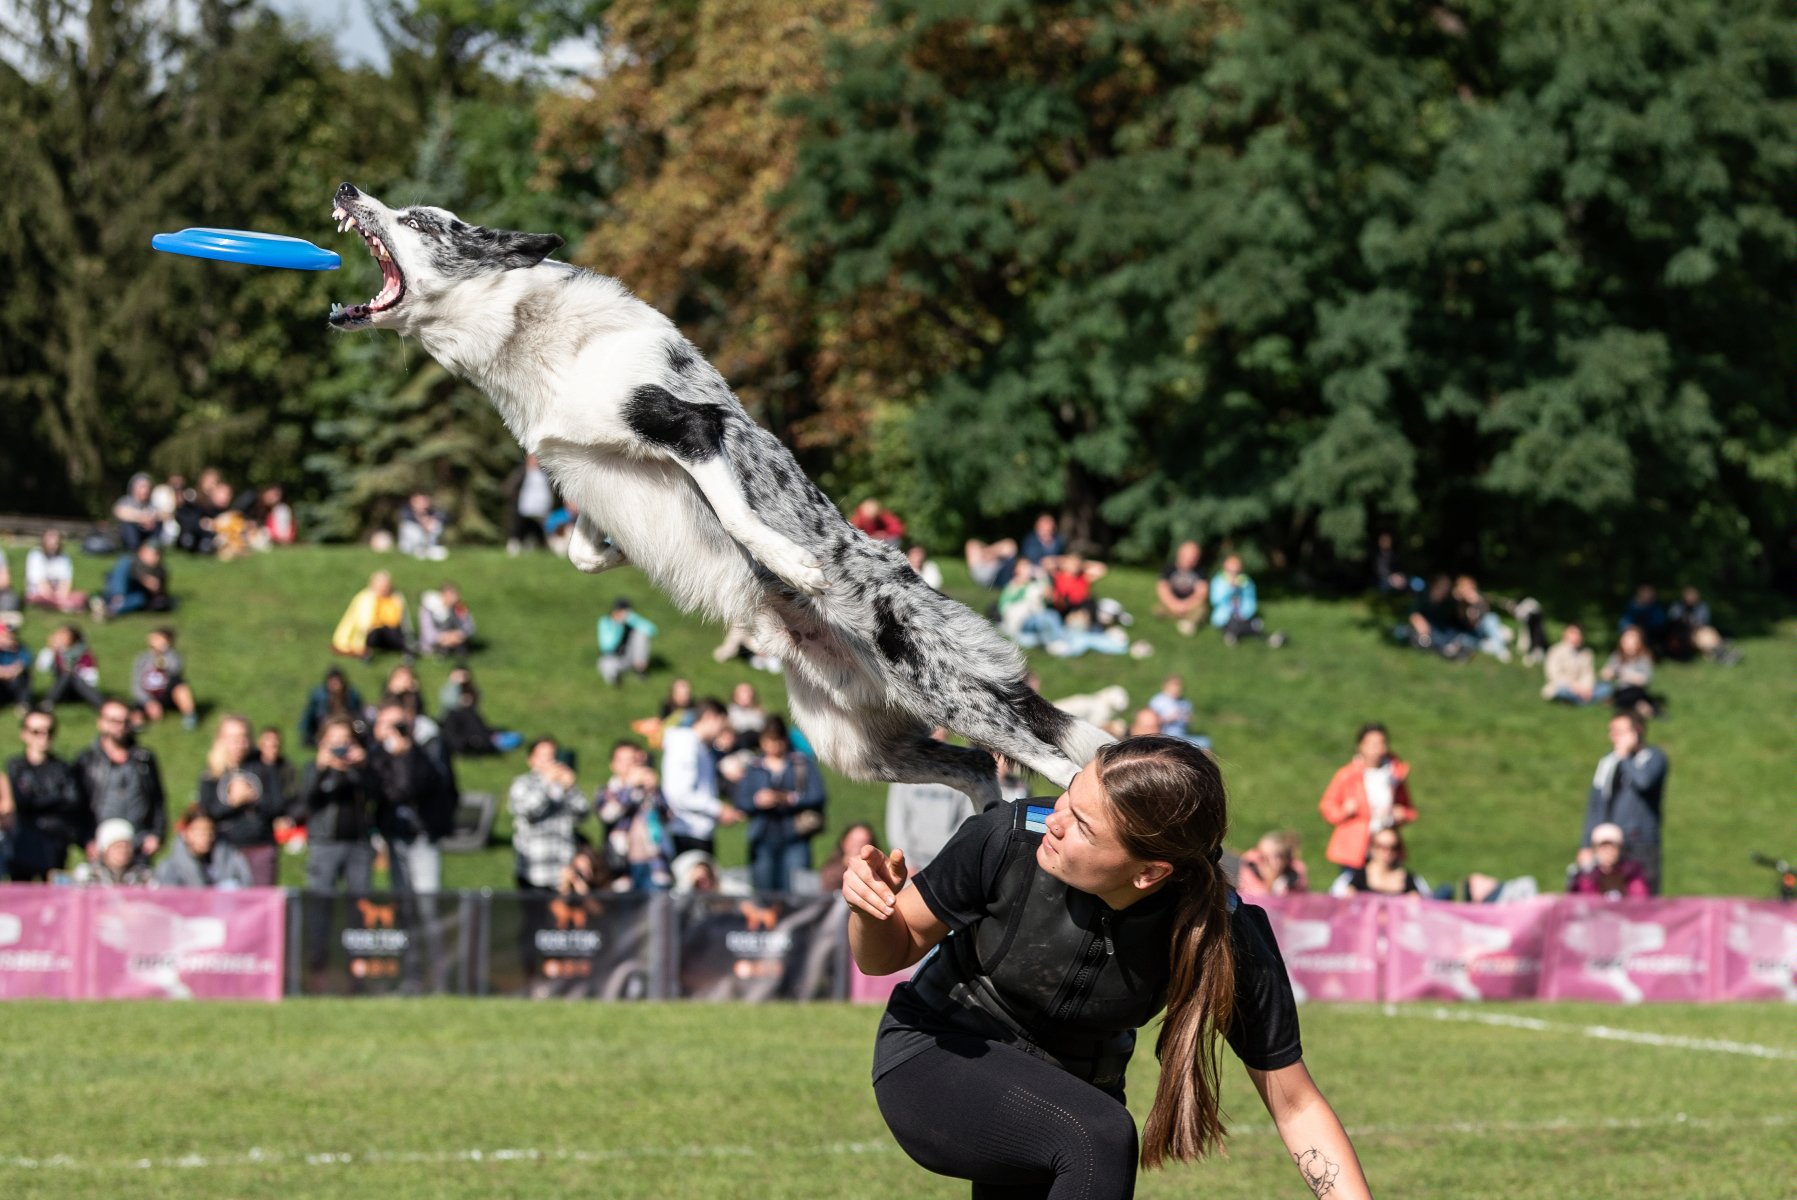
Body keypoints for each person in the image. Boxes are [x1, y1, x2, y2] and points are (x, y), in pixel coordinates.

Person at [846, 735, 1371, 1200]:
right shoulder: (1006, 837)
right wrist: (869, 912)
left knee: (1087, 1128)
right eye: (1069, 795)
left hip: (1072, 1087)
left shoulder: (1226, 932)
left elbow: (1297, 1106)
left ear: (1149, 872)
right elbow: (885, 955)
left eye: (1081, 825)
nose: (1053, 820)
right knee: (1098, 1135)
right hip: (937, 1053)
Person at [368, 701, 456, 894]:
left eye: (397, 724)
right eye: (386, 724)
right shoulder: (376, 755)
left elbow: (415, 786)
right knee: (400, 897)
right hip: (393, 831)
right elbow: (379, 790)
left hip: (422, 831)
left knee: (427, 898)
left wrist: (407, 754)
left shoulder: (426, 748)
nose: (392, 730)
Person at [1581, 711, 1668, 895]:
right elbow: (1596, 802)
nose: (1614, 736)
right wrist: (1586, 844)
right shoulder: (1608, 762)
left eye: (1620, 731)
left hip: (1641, 842)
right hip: (1610, 844)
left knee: (1644, 896)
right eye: (1612, 731)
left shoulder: (1653, 758)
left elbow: (1644, 782)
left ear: (1637, 731)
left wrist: (1626, 756)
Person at [736, 717, 826, 894]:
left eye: (777, 741)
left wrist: (790, 799)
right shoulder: (755, 767)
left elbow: (818, 794)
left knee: (795, 889)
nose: (773, 747)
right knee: (764, 891)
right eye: (768, 741)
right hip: (763, 836)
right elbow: (741, 800)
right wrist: (758, 800)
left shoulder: (800, 763)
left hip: (795, 834)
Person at [197, 714, 288, 886]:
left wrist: (254, 798)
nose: (238, 744)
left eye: (243, 738)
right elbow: (205, 813)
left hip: (260, 845)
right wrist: (231, 803)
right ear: (221, 740)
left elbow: (279, 806)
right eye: (232, 739)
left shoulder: (263, 766)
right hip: (225, 848)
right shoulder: (212, 773)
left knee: (260, 902)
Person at [300, 715, 383, 894]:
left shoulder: (358, 771)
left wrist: (363, 767)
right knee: (321, 901)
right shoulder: (314, 770)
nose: (340, 748)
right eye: (335, 742)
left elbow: (376, 795)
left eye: (345, 741)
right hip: (325, 842)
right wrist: (321, 770)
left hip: (358, 844)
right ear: (323, 743)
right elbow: (305, 800)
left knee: (359, 904)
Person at [76, 699, 167, 862]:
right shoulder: (86, 761)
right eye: (113, 720)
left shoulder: (144, 759)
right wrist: (86, 839)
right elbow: (78, 805)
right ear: (100, 722)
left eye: (124, 721)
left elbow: (158, 800)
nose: (119, 725)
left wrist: (157, 834)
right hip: (101, 845)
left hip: (139, 845)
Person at [1319, 723, 1415, 875]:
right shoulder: (1347, 775)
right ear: (1361, 746)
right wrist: (1344, 811)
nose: (1378, 749)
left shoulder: (1394, 774)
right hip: (1355, 847)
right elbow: (1327, 806)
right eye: (1373, 744)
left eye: (1382, 743)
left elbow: (1409, 809)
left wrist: (1402, 814)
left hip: (1385, 845)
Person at [6, 710, 87, 880]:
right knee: (22, 897)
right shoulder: (15, 767)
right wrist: (55, 797)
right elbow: (21, 801)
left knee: (55, 897)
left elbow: (73, 801)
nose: (43, 737)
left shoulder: (63, 767)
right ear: (24, 734)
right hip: (23, 842)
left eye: (49, 731)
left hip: (55, 842)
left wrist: (37, 800)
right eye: (36, 732)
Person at [884, 730, 975, 875]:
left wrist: (952, 859)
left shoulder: (960, 772)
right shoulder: (905, 771)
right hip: (912, 867)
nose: (935, 732)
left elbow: (966, 818)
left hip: (946, 866)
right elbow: (897, 819)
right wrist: (906, 862)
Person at [509, 736, 591, 892]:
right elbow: (529, 812)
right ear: (531, 760)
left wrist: (570, 788)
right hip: (534, 870)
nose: (549, 761)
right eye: (543, 756)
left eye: (552, 755)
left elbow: (583, 814)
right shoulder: (522, 784)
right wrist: (546, 784)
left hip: (564, 871)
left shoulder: (563, 784)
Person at [597, 740, 675, 891]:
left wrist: (654, 791)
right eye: (623, 761)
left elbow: (669, 817)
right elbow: (608, 815)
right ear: (613, 764)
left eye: (633, 760)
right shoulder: (607, 791)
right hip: (622, 869)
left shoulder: (649, 791)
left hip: (655, 864)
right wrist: (629, 788)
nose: (628, 766)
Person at [154, 805, 255, 888]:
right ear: (186, 833)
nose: (205, 837)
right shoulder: (170, 868)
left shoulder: (230, 859)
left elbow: (245, 885)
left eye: (209, 831)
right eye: (199, 832)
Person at [437, 668, 522, 756]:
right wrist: (455, 684)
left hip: (472, 730)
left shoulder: (469, 711)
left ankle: (491, 740)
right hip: (461, 731)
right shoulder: (452, 709)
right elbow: (449, 702)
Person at [331, 570, 411, 660]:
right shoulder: (365, 598)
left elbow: (403, 621)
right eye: (381, 585)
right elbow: (363, 624)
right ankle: (367, 655)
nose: (383, 588)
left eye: (385, 585)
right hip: (371, 633)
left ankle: (407, 653)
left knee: (395, 635)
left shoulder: (396, 597)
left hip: (391, 631)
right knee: (375, 634)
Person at [1209, 554, 1286, 647]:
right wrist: (1230, 588)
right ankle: (1266, 638)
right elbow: (1215, 600)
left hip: (1242, 615)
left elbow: (1250, 601)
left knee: (1246, 624)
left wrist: (1245, 614)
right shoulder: (1218, 581)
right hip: (1224, 617)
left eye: (1236, 570)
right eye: (1231, 570)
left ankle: (1233, 635)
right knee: (1242, 625)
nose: (1234, 573)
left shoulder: (1246, 582)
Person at [130, 627, 198, 730]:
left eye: (158, 639)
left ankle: (190, 716)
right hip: (147, 695)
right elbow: (136, 684)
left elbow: (175, 669)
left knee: (182, 688)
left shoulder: (173, 657)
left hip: (167, 695)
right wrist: (149, 702)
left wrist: (163, 654)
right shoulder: (142, 658)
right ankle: (138, 724)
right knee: (134, 712)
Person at [1568, 822, 1650, 900]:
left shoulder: (1632, 874)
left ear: (1620, 849)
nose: (1608, 852)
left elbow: (1640, 901)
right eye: (1603, 847)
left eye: (1613, 847)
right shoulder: (1586, 877)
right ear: (1595, 849)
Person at [1332, 828, 1425, 897]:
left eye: (1393, 847)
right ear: (1371, 848)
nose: (1387, 852)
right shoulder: (1353, 878)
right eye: (1381, 847)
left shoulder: (1410, 880)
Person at [36, 624, 104, 710]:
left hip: (81, 689)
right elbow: (42, 668)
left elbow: (92, 679)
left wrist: (74, 673)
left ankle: (102, 706)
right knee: (66, 675)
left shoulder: (84, 654)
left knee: (69, 674)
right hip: (62, 690)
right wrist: (51, 649)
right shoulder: (55, 652)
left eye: (63, 636)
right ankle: (48, 703)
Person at [1541, 624, 1612, 706]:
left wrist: (1586, 689)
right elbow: (1554, 675)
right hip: (1564, 686)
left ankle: (1577, 701)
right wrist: (1574, 687)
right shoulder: (1555, 651)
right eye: (1572, 633)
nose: (1576, 636)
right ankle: (1584, 702)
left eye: (1578, 634)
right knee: (1561, 691)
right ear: (1565, 634)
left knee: (1606, 688)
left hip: (1583, 687)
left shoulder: (1586, 653)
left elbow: (1588, 674)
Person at [1600, 626, 1662, 719]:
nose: (1628, 643)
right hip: (1620, 690)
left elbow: (1644, 680)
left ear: (1638, 642)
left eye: (1631, 640)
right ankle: (1642, 707)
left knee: (1633, 694)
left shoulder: (1643, 658)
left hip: (1636, 691)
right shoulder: (1617, 656)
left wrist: (1624, 674)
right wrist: (1609, 673)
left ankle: (1641, 707)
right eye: (1626, 639)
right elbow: (1604, 674)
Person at [1666, 585, 1738, 665]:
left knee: (1708, 631)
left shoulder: (1701, 607)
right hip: (1683, 636)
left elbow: (1703, 623)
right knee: (1703, 636)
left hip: (1699, 632)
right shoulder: (1676, 608)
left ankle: (1719, 653)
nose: (1691, 598)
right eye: (1689, 595)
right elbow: (1674, 625)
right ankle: (1721, 654)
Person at [98, 543, 174, 618]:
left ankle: (110, 610)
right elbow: (121, 576)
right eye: (153, 554)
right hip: (121, 589)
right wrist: (144, 579)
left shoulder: (160, 571)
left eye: (159, 554)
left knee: (139, 599)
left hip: (135, 595)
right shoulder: (132, 561)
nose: (156, 558)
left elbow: (161, 595)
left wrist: (156, 589)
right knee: (124, 563)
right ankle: (116, 598)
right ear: (142, 553)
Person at [1403, 574, 1470, 657]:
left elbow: (1457, 618)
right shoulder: (1424, 596)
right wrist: (1420, 624)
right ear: (1435, 585)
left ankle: (1448, 648)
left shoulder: (1448, 601)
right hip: (1426, 628)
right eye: (1442, 586)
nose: (1444, 589)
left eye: (1447, 587)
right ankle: (1447, 649)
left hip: (1441, 629)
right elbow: (1414, 613)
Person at [71, 818, 152, 886]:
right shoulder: (88, 873)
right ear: (105, 850)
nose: (122, 851)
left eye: (126, 846)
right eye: (117, 846)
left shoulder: (143, 875)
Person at [298, 666, 366, 747]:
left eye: (337, 681)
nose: (335, 685)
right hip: (325, 724)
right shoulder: (319, 695)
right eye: (332, 682)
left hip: (346, 724)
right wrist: (305, 732)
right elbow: (309, 715)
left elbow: (358, 712)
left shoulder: (351, 694)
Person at [597, 597, 657, 685]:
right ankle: (614, 680)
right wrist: (618, 626)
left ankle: (640, 669)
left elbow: (652, 630)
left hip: (629, 657)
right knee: (606, 665)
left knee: (641, 634)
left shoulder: (631, 621)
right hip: (612, 658)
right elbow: (607, 646)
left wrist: (632, 619)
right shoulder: (605, 622)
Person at [24, 529, 86, 613]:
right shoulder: (35, 555)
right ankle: (64, 606)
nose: (52, 545)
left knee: (82, 596)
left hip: (58, 594)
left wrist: (60, 597)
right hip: (39, 593)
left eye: (55, 543)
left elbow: (65, 582)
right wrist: (57, 600)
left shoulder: (64, 557)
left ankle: (62, 605)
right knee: (42, 599)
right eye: (49, 542)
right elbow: (41, 584)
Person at [505, 452, 556, 555]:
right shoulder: (522, 471)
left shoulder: (544, 473)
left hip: (541, 509)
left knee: (539, 528)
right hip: (524, 507)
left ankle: (541, 546)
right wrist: (513, 497)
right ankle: (514, 545)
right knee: (519, 527)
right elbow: (510, 486)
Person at [1155, 540, 1209, 636]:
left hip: (1191, 604)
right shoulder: (1169, 568)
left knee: (1201, 609)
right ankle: (1179, 616)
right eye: (1188, 556)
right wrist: (1173, 604)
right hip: (1172, 601)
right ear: (1180, 554)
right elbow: (1162, 589)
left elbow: (1201, 593)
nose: (1191, 559)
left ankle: (1186, 620)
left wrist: (1186, 605)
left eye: (1194, 557)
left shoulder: (1201, 571)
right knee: (1158, 609)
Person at [1236, 830, 1309, 897]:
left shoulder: (1294, 874)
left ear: (1285, 859)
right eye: (1262, 856)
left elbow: (1298, 901)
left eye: (1268, 858)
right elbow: (1257, 901)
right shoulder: (1252, 866)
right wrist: (1270, 881)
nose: (1264, 862)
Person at [1146, 674, 1209, 747]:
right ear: (1165, 686)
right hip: (1164, 735)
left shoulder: (1185, 702)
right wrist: (1168, 719)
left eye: (1179, 686)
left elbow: (1190, 721)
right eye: (1174, 686)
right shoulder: (1158, 701)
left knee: (1205, 742)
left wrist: (1188, 719)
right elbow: (1148, 722)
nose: (1177, 689)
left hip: (1181, 735)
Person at [418, 583, 476, 659]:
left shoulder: (459, 607)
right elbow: (428, 633)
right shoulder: (428, 608)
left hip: (456, 641)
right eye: (450, 595)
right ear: (442, 595)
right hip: (434, 644)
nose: (454, 598)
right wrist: (444, 637)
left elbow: (470, 627)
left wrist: (459, 634)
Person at [818, 823, 878, 893]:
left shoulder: (877, 871)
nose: (858, 846)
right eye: (854, 841)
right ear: (843, 842)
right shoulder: (832, 872)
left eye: (863, 842)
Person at [112, 473, 162, 550]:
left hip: (147, 532)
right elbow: (120, 512)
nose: (146, 490)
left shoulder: (151, 503)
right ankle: (133, 548)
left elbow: (165, 514)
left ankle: (152, 546)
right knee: (127, 524)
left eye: (148, 487)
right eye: (142, 487)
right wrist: (142, 518)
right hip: (131, 534)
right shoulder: (126, 501)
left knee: (158, 522)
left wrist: (153, 518)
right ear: (133, 488)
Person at [397, 491, 450, 560]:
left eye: (424, 501)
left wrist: (430, 521)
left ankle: (428, 550)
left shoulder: (432, 513)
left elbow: (446, 517)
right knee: (409, 527)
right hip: (410, 547)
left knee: (435, 524)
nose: (422, 504)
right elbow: (405, 516)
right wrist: (421, 522)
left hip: (427, 545)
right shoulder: (407, 513)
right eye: (419, 501)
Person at [1618, 584, 1668, 655]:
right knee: (1629, 635)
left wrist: (1643, 629)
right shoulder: (1632, 607)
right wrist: (1631, 628)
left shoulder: (1656, 608)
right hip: (1633, 632)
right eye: (1644, 592)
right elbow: (1623, 622)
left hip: (1650, 636)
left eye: (1648, 592)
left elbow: (1659, 624)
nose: (1647, 595)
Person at [0, 622, 31, 713]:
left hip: (14, 680)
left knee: (24, 675)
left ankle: (23, 703)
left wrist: (12, 672)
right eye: (5, 636)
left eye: (11, 636)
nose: (9, 639)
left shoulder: (20, 648)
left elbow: (23, 663)